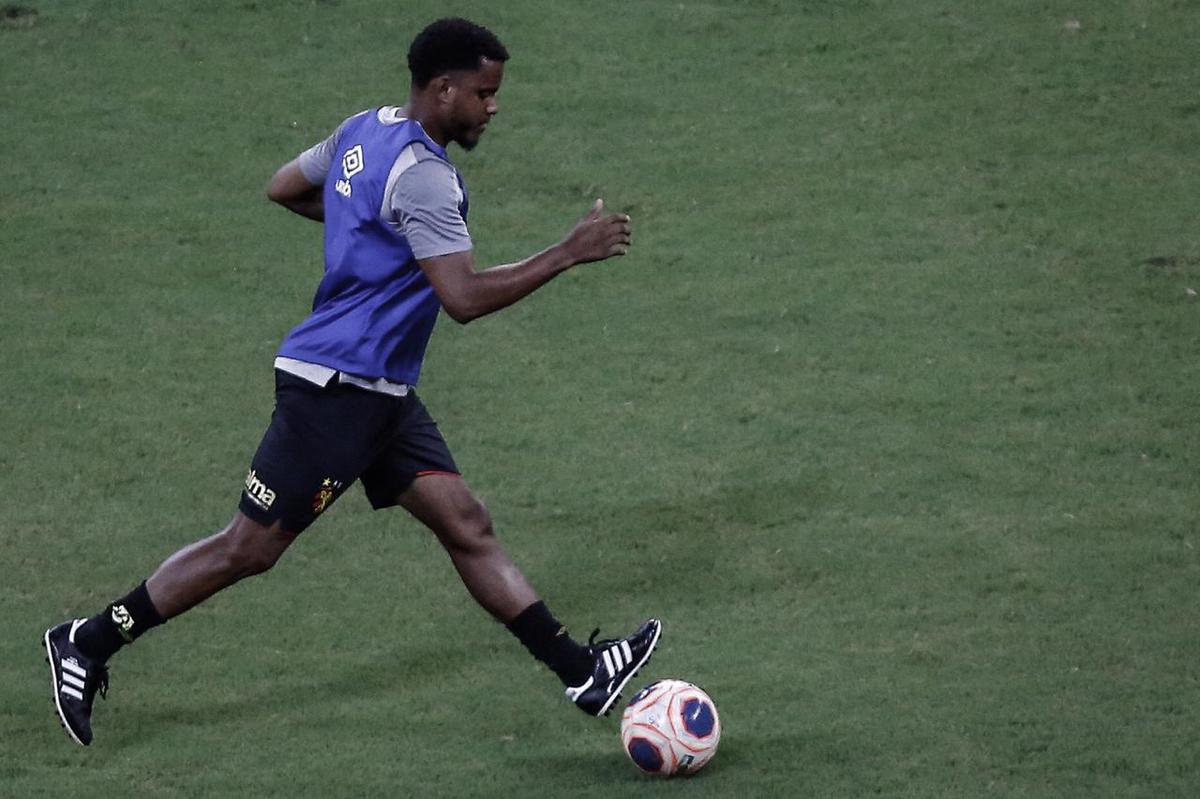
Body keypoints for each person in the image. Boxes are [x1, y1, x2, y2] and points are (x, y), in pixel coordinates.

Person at [44, 17, 661, 747]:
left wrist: (362, 225)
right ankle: (87, 637)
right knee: (249, 548)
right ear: (443, 89)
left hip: (381, 394)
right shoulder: (427, 178)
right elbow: (461, 298)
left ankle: (581, 670)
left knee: (466, 523)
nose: (493, 107)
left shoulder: (363, 129)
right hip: (335, 391)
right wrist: (566, 252)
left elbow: (285, 188)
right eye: (483, 93)